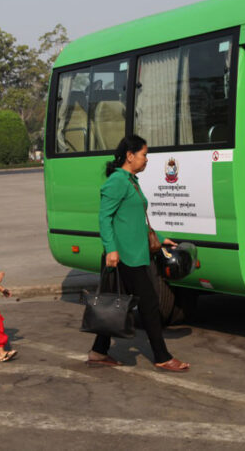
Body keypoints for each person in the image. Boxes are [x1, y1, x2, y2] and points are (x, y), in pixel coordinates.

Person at [88, 134, 190, 372]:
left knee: (114, 304)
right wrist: (111, 249)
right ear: (130, 156)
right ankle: (162, 356)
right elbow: (105, 218)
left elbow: (132, 218)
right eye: (144, 155)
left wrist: (159, 236)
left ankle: (98, 352)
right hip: (124, 256)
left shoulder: (131, 180)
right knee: (149, 304)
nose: (147, 159)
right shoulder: (117, 181)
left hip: (135, 252)